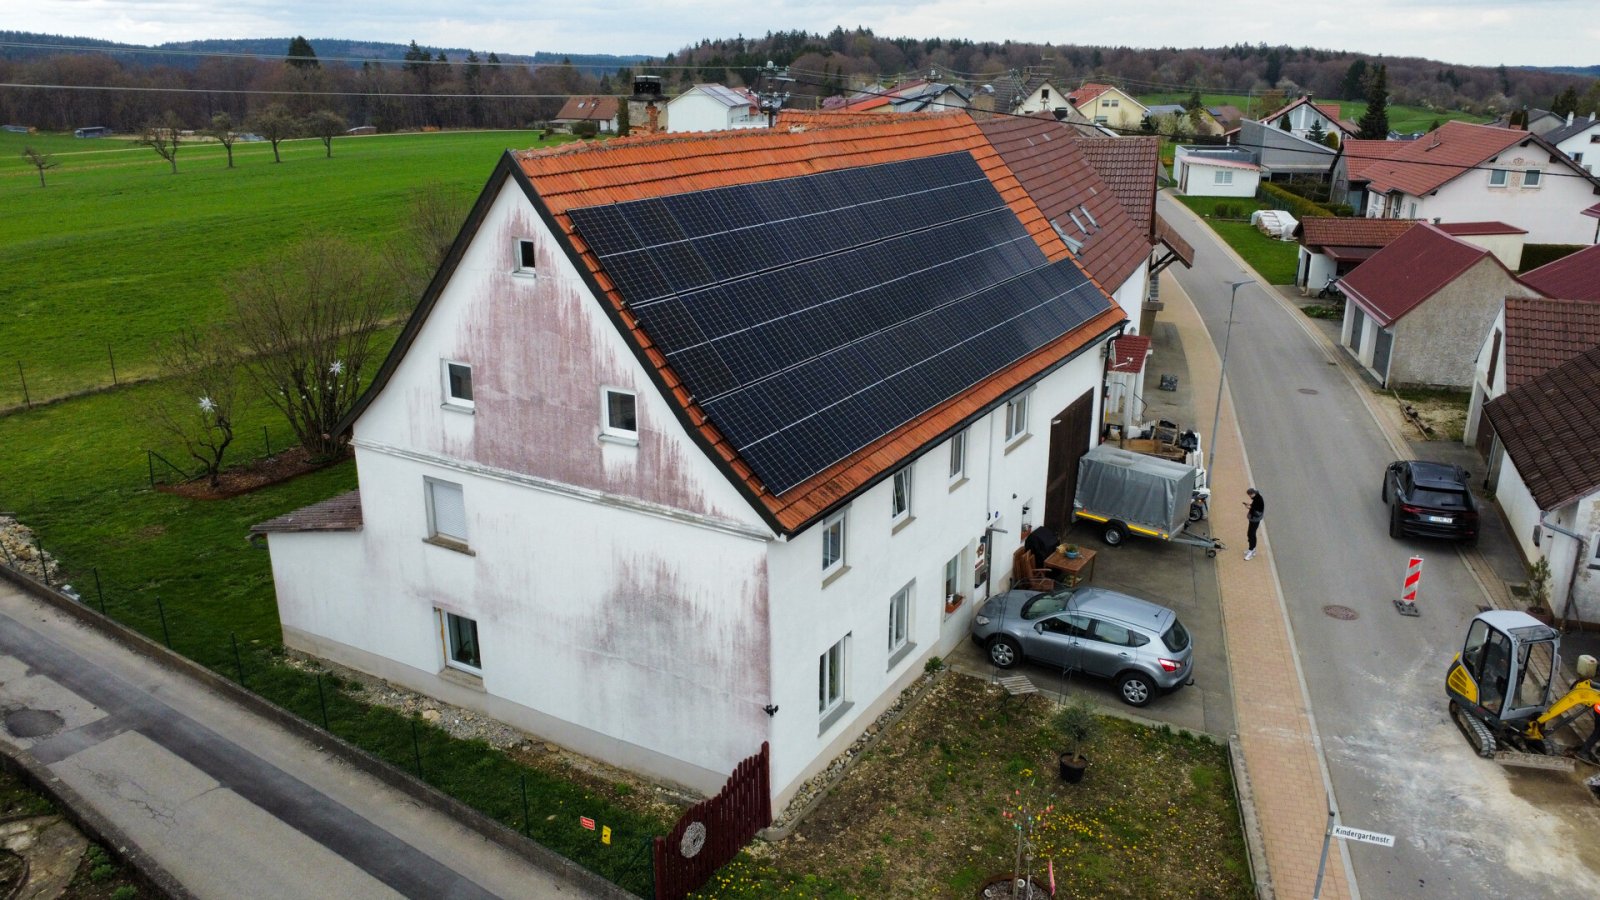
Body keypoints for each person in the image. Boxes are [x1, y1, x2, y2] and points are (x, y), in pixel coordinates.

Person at [1243, 488, 1264, 560]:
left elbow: (1257, 511)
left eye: (1250, 495)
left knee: (1251, 534)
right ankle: (1252, 549)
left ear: (1252, 494)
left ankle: (1251, 551)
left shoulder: (1258, 500)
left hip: (1255, 520)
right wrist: (1250, 505)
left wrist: (1250, 507)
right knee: (1250, 534)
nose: (1250, 497)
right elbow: (1255, 506)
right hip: (1253, 519)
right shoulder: (1257, 498)